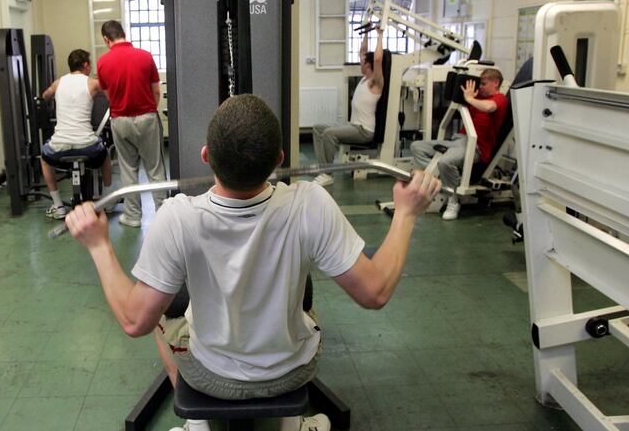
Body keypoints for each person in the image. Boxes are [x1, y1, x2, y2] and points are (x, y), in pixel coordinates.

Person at [66, 94, 441, 431]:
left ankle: (197, 426)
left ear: (206, 156)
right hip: (294, 372)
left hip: (209, 375)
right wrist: (407, 213)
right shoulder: (310, 203)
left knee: (163, 319)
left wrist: (99, 245)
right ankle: (293, 425)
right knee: (308, 301)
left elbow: (135, 321)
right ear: (279, 160)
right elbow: (374, 292)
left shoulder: (177, 217)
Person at [96, 20, 167, 228]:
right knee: (155, 168)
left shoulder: (102, 62)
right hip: (147, 118)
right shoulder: (145, 56)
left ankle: (133, 216)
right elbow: (156, 91)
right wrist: (148, 111)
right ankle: (163, 216)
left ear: (106, 39)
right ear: (124, 33)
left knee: (128, 169)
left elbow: (108, 95)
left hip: (120, 120)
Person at [410, 68, 507, 220]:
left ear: (496, 83)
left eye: (484, 84)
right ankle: (443, 181)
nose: (480, 87)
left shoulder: (499, 98)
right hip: (458, 140)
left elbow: (489, 107)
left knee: (445, 162)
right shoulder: (478, 96)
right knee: (416, 147)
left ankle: (453, 200)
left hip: (476, 147)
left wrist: (470, 100)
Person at [40, 49, 112, 220]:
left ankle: (58, 206)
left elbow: (45, 95)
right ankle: (107, 201)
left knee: (43, 158)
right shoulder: (92, 83)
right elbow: (111, 93)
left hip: (59, 147)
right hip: (87, 147)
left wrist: (53, 96)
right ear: (86, 65)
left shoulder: (58, 83)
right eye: (90, 64)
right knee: (105, 155)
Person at [311, 26, 385, 187]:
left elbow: (378, 59)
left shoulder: (375, 83)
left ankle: (327, 174)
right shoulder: (364, 78)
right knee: (318, 128)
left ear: (369, 66)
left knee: (329, 134)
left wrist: (380, 35)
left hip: (364, 131)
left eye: (363, 62)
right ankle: (322, 167)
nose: (361, 62)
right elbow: (363, 51)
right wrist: (366, 32)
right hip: (352, 126)